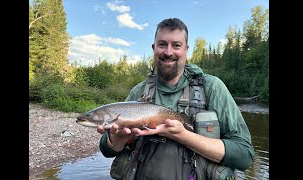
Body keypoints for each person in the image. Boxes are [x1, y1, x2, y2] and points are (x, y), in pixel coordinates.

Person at [96, 18, 254, 180]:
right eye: (162, 44)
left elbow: (244, 155)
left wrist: (183, 136)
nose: (168, 52)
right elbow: (106, 150)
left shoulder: (212, 87)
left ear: (186, 50)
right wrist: (117, 140)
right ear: (154, 48)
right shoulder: (139, 91)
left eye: (176, 45)